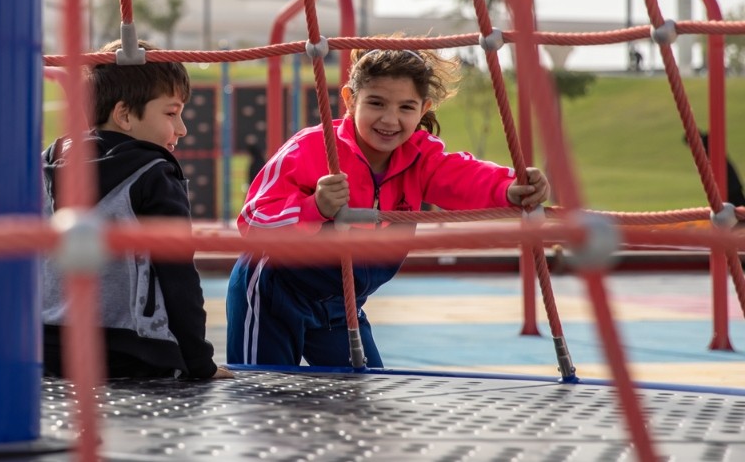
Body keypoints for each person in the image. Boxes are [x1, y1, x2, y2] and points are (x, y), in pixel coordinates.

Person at [226, 47, 550, 368]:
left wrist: (509, 187)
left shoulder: (420, 159)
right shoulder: (312, 148)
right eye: (376, 103)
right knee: (264, 394)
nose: (390, 119)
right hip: (275, 292)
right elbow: (253, 221)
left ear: (423, 109)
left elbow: (462, 176)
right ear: (351, 99)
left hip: (342, 303)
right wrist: (315, 207)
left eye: (406, 107)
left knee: (363, 399)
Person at [41, 40, 231, 380]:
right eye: (171, 114)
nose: (182, 129)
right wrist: (200, 364)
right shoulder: (153, 173)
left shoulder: (46, 162)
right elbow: (178, 278)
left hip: (45, 348)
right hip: (130, 353)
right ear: (124, 114)